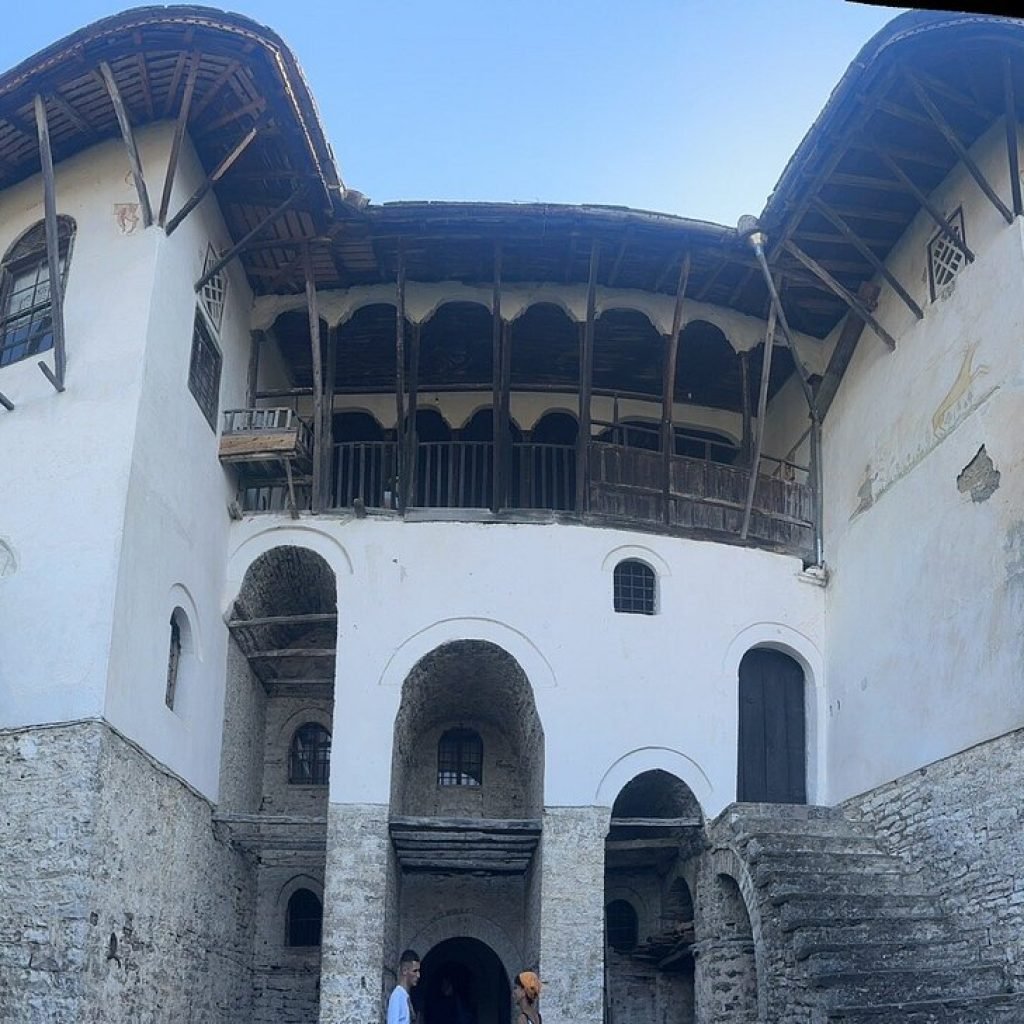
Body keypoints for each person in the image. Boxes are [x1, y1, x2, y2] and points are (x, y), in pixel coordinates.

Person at [387, 949, 421, 1024]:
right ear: (404, 970)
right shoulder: (397, 996)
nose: (418, 975)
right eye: (415, 971)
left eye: (419, 971)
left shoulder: (405, 996)